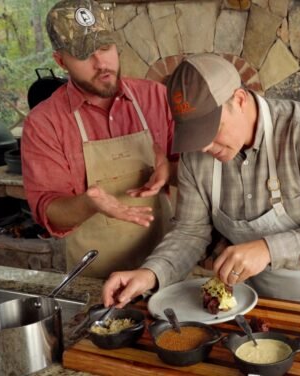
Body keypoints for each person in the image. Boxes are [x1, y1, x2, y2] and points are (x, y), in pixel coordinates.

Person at [102, 53, 300, 310]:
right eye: (195, 134)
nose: (205, 146)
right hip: (256, 300)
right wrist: (149, 274)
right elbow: (190, 232)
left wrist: (268, 249)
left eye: (212, 130)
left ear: (240, 99)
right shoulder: (195, 156)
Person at [21, 0, 177, 278]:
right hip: (96, 279)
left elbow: (195, 170)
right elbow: (50, 211)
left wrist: (170, 171)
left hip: (165, 266)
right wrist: (90, 203)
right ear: (61, 61)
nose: (101, 63)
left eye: (105, 48)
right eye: (84, 54)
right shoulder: (44, 124)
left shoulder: (155, 97)